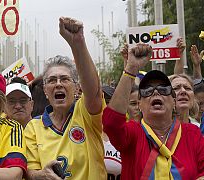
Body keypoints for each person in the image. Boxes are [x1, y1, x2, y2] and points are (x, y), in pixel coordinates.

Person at [103, 44, 204, 179]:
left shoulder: (192, 134)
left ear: (174, 101)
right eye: (147, 90)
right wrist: (131, 68)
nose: (156, 92)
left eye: (163, 89)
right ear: (139, 104)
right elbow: (111, 123)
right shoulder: (133, 134)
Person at [25, 17, 106, 179]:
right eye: (52, 80)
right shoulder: (33, 127)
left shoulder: (86, 114)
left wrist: (78, 43)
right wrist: (40, 175)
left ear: (77, 88)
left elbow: (94, 91)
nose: (58, 84)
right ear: (45, 91)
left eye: (65, 79)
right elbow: (30, 171)